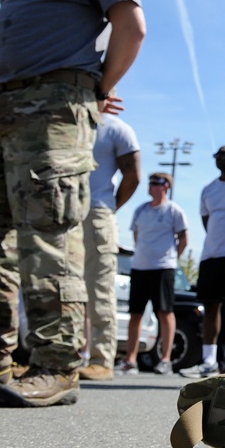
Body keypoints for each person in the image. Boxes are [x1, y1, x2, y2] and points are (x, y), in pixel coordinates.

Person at [0, 0, 145, 407]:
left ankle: (56, 365)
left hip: (54, 106)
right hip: (0, 104)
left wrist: (99, 87)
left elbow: (131, 25)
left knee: (45, 234)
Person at [80, 110, 141, 381]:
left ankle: (101, 359)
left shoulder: (117, 128)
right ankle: (64, 357)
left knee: (99, 287)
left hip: (96, 211)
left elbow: (134, 175)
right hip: (63, 213)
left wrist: (109, 207)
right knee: (64, 287)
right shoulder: (69, 119)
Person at [179, 146, 225, 379]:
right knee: (211, 307)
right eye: (217, 156)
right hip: (210, 256)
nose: (221, 159)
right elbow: (207, 220)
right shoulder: (209, 189)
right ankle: (209, 360)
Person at [118, 173, 188, 375]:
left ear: (166, 187)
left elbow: (184, 239)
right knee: (136, 314)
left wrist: (172, 259)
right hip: (140, 268)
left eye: (156, 183)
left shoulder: (174, 211)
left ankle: (165, 359)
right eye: (150, 183)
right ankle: (131, 360)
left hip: (163, 268)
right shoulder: (141, 210)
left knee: (165, 312)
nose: (151, 186)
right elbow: (136, 235)